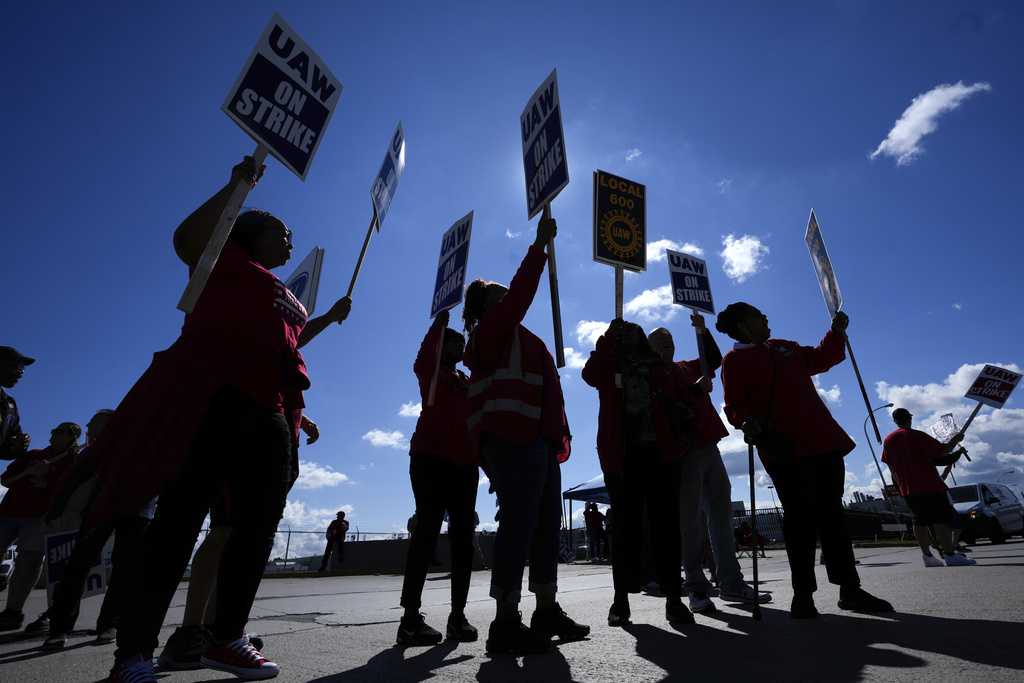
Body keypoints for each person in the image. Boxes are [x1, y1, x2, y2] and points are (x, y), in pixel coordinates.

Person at [91, 156, 353, 683]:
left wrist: (327, 318)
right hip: (214, 402)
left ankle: (227, 636)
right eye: (281, 230)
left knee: (253, 530)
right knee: (178, 525)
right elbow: (187, 239)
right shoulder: (221, 264)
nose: (289, 238)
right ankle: (134, 653)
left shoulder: (282, 294)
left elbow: (291, 341)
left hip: (270, 412)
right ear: (247, 234)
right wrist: (238, 186)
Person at [462, 210, 589, 654]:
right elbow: (519, 295)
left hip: (541, 444)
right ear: (484, 307)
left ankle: (545, 609)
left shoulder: (521, 337)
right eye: (500, 294)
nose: (508, 298)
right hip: (513, 442)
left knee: (545, 531)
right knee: (519, 527)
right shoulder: (490, 331)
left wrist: (558, 438)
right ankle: (505, 619)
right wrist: (538, 248)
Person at [716, 302, 893, 619]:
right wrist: (745, 422)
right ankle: (803, 595)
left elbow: (822, 358)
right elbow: (733, 405)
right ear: (743, 325)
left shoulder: (784, 346)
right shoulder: (734, 360)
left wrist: (836, 333)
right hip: (783, 448)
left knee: (833, 517)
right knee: (799, 522)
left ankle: (849, 589)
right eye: (759, 315)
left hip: (822, 442)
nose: (766, 317)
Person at [158, 413, 317, 670]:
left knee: (245, 535)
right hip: (251, 429)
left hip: (282, 437)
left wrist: (302, 420)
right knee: (227, 529)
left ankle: (214, 629)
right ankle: (189, 633)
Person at [582, 319, 694, 627]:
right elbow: (588, 375)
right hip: (622, 458)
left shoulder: (657, 367)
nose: (629, 337)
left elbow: (681, 395)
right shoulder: (608, 364)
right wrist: (606, 338)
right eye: (623, 333)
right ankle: (621, 599)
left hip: (661, 455)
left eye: (633, 332)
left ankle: (673, 597)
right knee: (625, 530)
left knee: (666, 529)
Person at [656, 313, 770, 614]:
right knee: (690, 523)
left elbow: (713, 359)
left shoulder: (684, 366)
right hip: (683, 453)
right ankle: (695, 586)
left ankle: (731, 582)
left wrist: (702, 331)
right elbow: (661, 407)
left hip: (708, 446)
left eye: (669, 340)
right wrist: (695, 389)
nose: (667, 345)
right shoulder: (652, 375)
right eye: (660, 342)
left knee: (720, 517)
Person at [396, 310, 479, 646]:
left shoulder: (467, 383)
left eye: (462, 343)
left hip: (464, 464)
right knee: (426, 533)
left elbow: (478, 425)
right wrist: (438, 325)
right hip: (430, 459)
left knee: (463, 539)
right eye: (453, 342)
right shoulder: (430, 373)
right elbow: (423, 356)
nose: (459, 347)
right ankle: (410, 618)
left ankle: (457, 615)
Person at [0, 420, 82, 630]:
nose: (58, 435)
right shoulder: (33, 455)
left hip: (38, 518)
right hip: (8, 513)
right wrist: (29, 472)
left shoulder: (73, 463)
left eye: (64, 433)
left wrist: (48, 479)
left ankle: (12, 611)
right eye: (56, 430)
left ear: (73, 439)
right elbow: (6, 480)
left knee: (28, 562)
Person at [882, 408, 974, 567]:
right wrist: (956, 439)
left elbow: (890, 465)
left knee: (920, 521)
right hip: (929, 484)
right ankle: (950, 555)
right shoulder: (916, 435)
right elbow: (942, 451)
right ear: (909, 419)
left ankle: (927, 556)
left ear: (895, 421)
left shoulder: (888, 440)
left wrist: (899, 486)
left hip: (907, 488)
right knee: (940, 520)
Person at [0, 347, 33, 461]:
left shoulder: (10, 405)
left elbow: (5, 449)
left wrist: (18, 447)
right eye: (17, 367)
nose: (20, 373)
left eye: (22, 369)